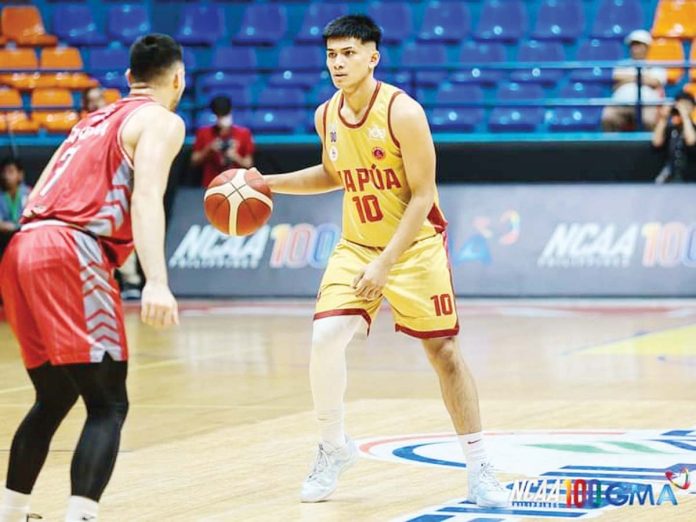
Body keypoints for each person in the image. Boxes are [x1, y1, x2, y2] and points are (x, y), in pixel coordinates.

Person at [262, 15, 509, 508]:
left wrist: (386, 263)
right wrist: (266, 182)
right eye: (332, 54)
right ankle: (333, 447)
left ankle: (481, 469)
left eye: (349, 53)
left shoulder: (403, 112)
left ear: (373, 56)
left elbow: (423, 195)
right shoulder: (325, 115)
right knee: (324, 337)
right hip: (357, 245)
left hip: (414, 247)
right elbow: (333, 174)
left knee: (444, 354)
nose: (338, 62)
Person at [0, 33, 185, 522]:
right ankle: (80, 516)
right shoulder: (162, 120)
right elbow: (146, 196)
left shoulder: (93, 120)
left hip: (21, 248)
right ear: (178, 78)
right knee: (110, 404)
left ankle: (10, 512)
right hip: (70, 249)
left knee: (56, 394)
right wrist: (156, 280)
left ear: (129, 80)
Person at [81, 87, 143, 300]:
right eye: (91, 100)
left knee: (121, 234)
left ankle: (131, 281)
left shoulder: (117, 126)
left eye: (99, 99)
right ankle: (102, 282)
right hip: (90, 196)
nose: (96, 104)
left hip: (115, 191)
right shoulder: (82, 130)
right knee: (94, 240)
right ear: (86, 106)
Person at [602, 30, 667, 132]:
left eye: (638, 45)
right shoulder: (622, 65)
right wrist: (642, 78)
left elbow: (655, 82)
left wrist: (628, 79)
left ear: (647, 47)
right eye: (633, 45)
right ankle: (611, 148)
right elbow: (616, 79)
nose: (635, 48)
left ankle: (650, 147)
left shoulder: (656, 66)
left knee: (649, 120)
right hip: (621, 104)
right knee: (608, 117)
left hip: (646, 105)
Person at [191, 94, 254, 187]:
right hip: (211, 185)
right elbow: (194, 161)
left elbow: (249, 164)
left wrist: (235, 156)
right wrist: (209, 149)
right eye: (219, 116)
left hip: (238, 185)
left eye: (224, 115)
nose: (222, 119)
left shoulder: (244, 133)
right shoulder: (203, 132)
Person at [653, 91, 696, 183]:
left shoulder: (693, 128)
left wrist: (685, 116)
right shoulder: (670, 129)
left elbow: (691, 142)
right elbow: (656, 142)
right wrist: (663, 118)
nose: (680, 110)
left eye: (685, 106)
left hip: (691, 177)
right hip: (670, 175)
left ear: (693, 108)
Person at [0, 157, 31, 259]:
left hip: (26, 239)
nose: (6, 176)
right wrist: (16, 227)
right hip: (4, 240)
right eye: (4, 172)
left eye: (11, 172)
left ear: (20, 175)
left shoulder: (29, 193)